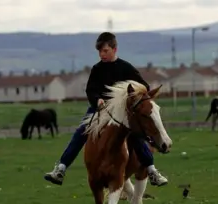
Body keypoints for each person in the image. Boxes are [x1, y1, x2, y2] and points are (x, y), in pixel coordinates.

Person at [43, 32, 169, 187]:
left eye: (105, 51)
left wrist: (129, 98)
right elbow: (90, 90)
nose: (102, 54)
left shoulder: (126, 67)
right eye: (100, 51)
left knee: (136, 133)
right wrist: (97, 99)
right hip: (100, 110)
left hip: (122, 112)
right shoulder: (97, 69)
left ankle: (152, 170)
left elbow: (144, 87)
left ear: (114, 49)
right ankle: (61, 169)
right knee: (81, 132)